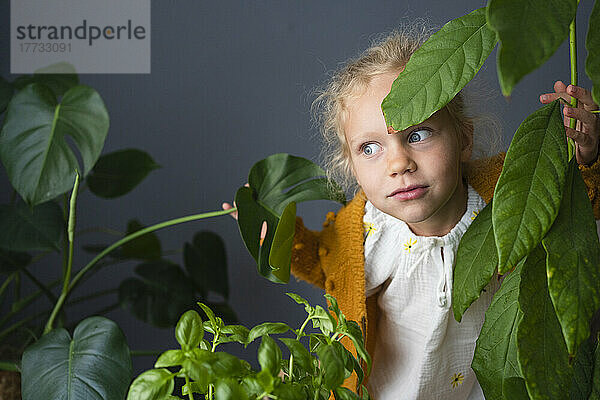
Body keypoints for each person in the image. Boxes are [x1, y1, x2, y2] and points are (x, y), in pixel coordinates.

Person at [223, 28, 600, 399]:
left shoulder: (509, 190)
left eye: (417, 135)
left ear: (464, 138)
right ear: (352, 168)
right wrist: (279, 239)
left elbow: (572, 203)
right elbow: (327, 265)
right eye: (370, 148)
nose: (398, 163)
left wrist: (585, 156)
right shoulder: (367, 231)